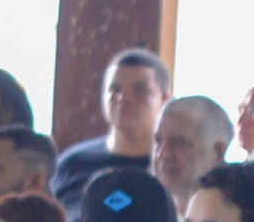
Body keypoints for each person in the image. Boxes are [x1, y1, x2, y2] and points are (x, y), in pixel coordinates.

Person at [46, 48, 170, 193]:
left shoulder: (171, 169)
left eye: (139, 91)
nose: (124, 98)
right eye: (115, 89)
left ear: (165, 100)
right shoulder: (72, 164)